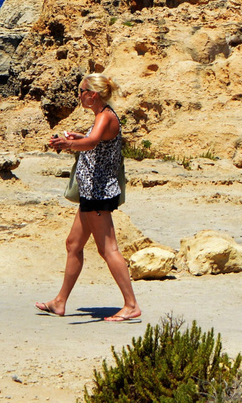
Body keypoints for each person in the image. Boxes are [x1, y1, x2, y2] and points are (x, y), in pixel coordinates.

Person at [37, 74, 140, 323]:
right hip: (90, 191)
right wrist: (77, 137)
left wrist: (68, 144)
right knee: (73, 244)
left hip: (99, 192)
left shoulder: (105, 116)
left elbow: (94, 143)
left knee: (108, 249)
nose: (79, 94)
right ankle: (60, 302)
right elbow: (94, 140)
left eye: (81, 90)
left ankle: (131, 305)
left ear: (91, 94)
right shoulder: (102, 115)